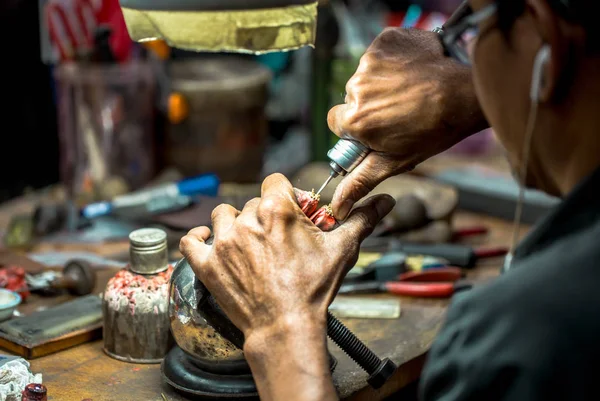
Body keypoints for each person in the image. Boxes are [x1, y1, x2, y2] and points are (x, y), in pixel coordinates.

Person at [179, 0, 600, 399]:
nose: (457, 51)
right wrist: (483, 86)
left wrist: (281, 329)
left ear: (540, 35)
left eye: (466, 33)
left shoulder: (518, 342)